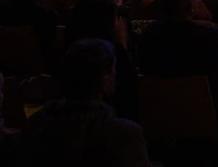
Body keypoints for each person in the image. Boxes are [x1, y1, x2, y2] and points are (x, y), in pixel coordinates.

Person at [21, 39, 152, 167]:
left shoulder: (36, 124)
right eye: (113, 69)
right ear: (105, 77)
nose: (115, 74)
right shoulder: (125, 135)